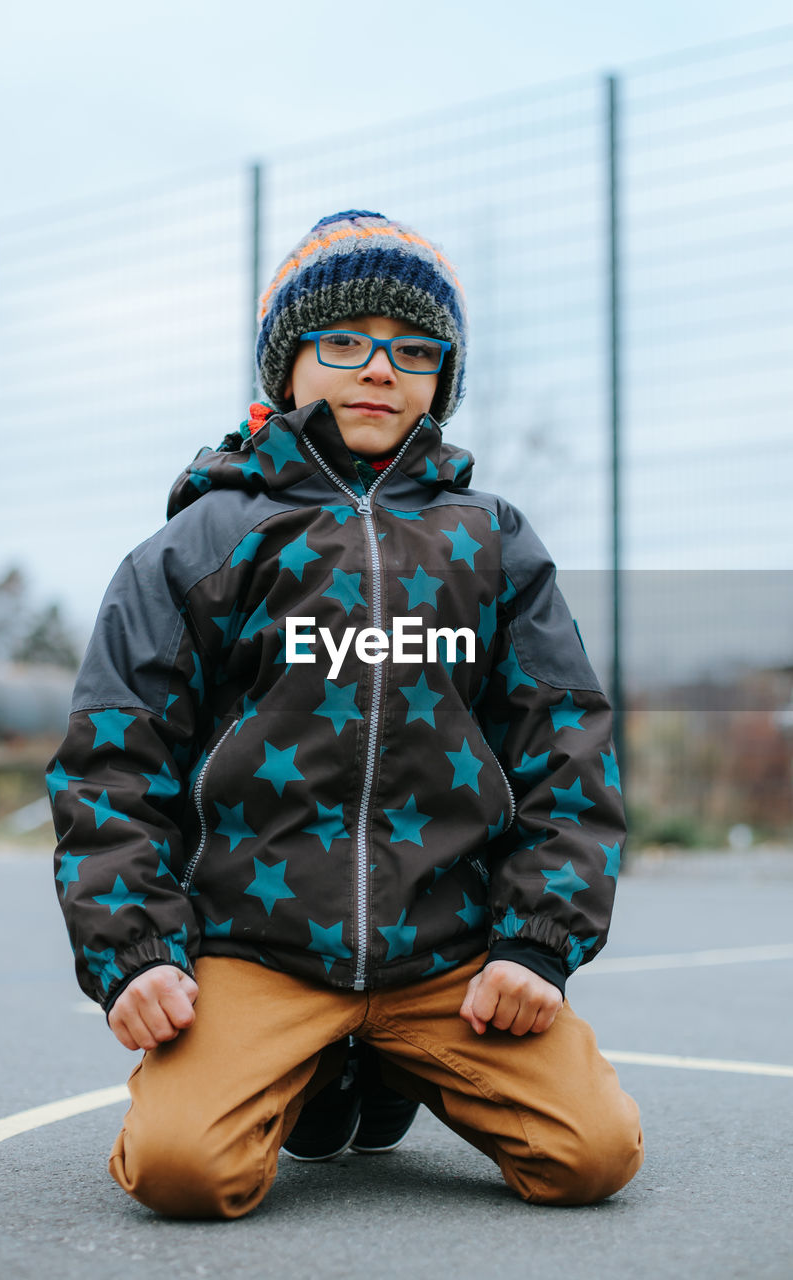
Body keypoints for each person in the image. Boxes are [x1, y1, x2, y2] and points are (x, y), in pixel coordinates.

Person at [48, 209, 643, 1219]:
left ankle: (389, 1061)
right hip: (259, 947)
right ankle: (318, 1064)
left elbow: (567, 744)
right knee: (183, 1170)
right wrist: (134, 950)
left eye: (414, 349)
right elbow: (111, 761)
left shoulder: (492, 541)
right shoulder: (201, 542)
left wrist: (535, 937)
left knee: (592, 1156)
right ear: (286, 364)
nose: (379, 368)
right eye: (344, 341)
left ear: (440, 379)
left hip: (447, 955)